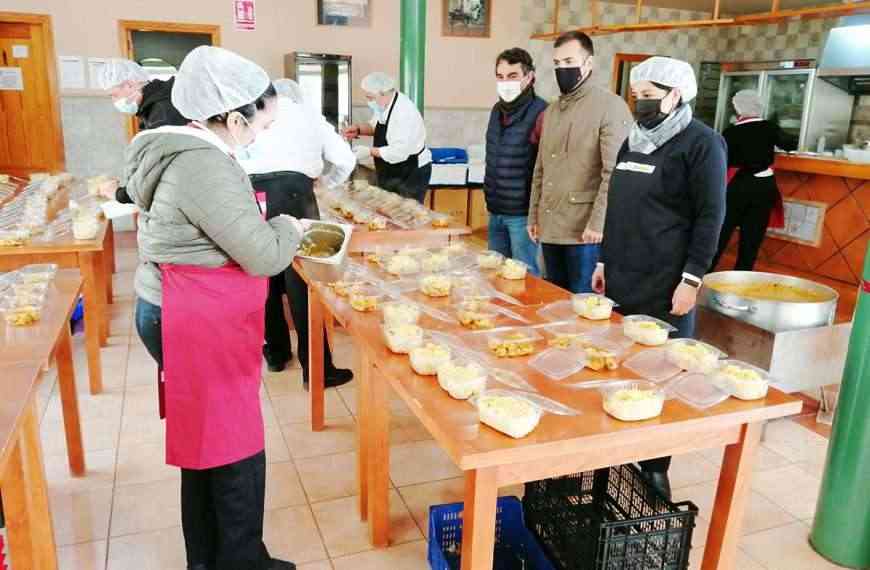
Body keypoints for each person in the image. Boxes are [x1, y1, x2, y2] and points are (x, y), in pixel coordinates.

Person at [126, 46, 301, 570]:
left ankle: (210, 558)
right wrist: (290, 227)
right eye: (257, 126)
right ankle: (242, 561)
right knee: (232, 445)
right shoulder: (203, 165)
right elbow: (266, 255)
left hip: (178, 310)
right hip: (193, 318)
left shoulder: (178, 150)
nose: (258, 136)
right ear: (230, 117)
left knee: (206, 443)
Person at [593, 56, 727, 499]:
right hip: (623, 272)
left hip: (667, 278)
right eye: (637, 96)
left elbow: (711, 216)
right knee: (623, 362)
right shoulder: (633, 139)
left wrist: (692, 279)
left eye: (649, 96)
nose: (641, 104)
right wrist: (602, 260)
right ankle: (616, 444)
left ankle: (654, 466)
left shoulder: (701, 143)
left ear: (675, 94)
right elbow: (617, 204)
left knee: (662, 372)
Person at [240, 78, 355, 387]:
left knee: (264, 273)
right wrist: (324, 183)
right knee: (304, 282)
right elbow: (345, 160)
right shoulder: (309, 116)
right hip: (295, 194)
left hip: (254, 195)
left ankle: (276, 353)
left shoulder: (253, 113)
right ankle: (317, 371)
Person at [528, 31, 632, 293]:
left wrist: (598, 223)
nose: (562, 69)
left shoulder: (610, 106)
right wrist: (534, 216)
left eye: (569, 61)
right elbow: (540, 168)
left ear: (588, 64)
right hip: (550, 226)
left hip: (585, 232)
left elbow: (615, 172)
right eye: (558, 63)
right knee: (553, 296)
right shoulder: (551, 111)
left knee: (582, 301)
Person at [711, 89, 796, 271]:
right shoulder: (770, 127)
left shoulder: (730, 132)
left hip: (736, 187)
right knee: (752, 237)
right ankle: (742, 277)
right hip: (764, 187)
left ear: (738, 109)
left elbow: (721, 162)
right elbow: (790, 144)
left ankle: (705, 274)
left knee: (721, 233)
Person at [483, 47, 548, 276]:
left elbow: (546, 169)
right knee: (495, 273)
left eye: (512, 76)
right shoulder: (496, 110)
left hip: (522, 216)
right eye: (500, 77)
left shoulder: (542, 113)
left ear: (529, 77)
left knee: (525, 278)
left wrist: (537, 214)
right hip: (495, 209)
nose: (505, 82)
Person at [98, 59, 191, 203]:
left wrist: (118, 194)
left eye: (114, 95)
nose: (114, 101)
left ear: (129, 84)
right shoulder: (154, 106)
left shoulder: (162, 113)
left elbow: (153, 175)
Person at [342, 72, 432, 203]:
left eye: (370, 97)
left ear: (383, 93)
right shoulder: (384, 106)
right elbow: (375, 126)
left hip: (410, 172)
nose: (369, 102)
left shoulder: (403, 112)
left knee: (408, 214)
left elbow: (399, 152)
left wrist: (368, 151)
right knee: (389, 212)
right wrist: (358, 129)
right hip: (392, 170)